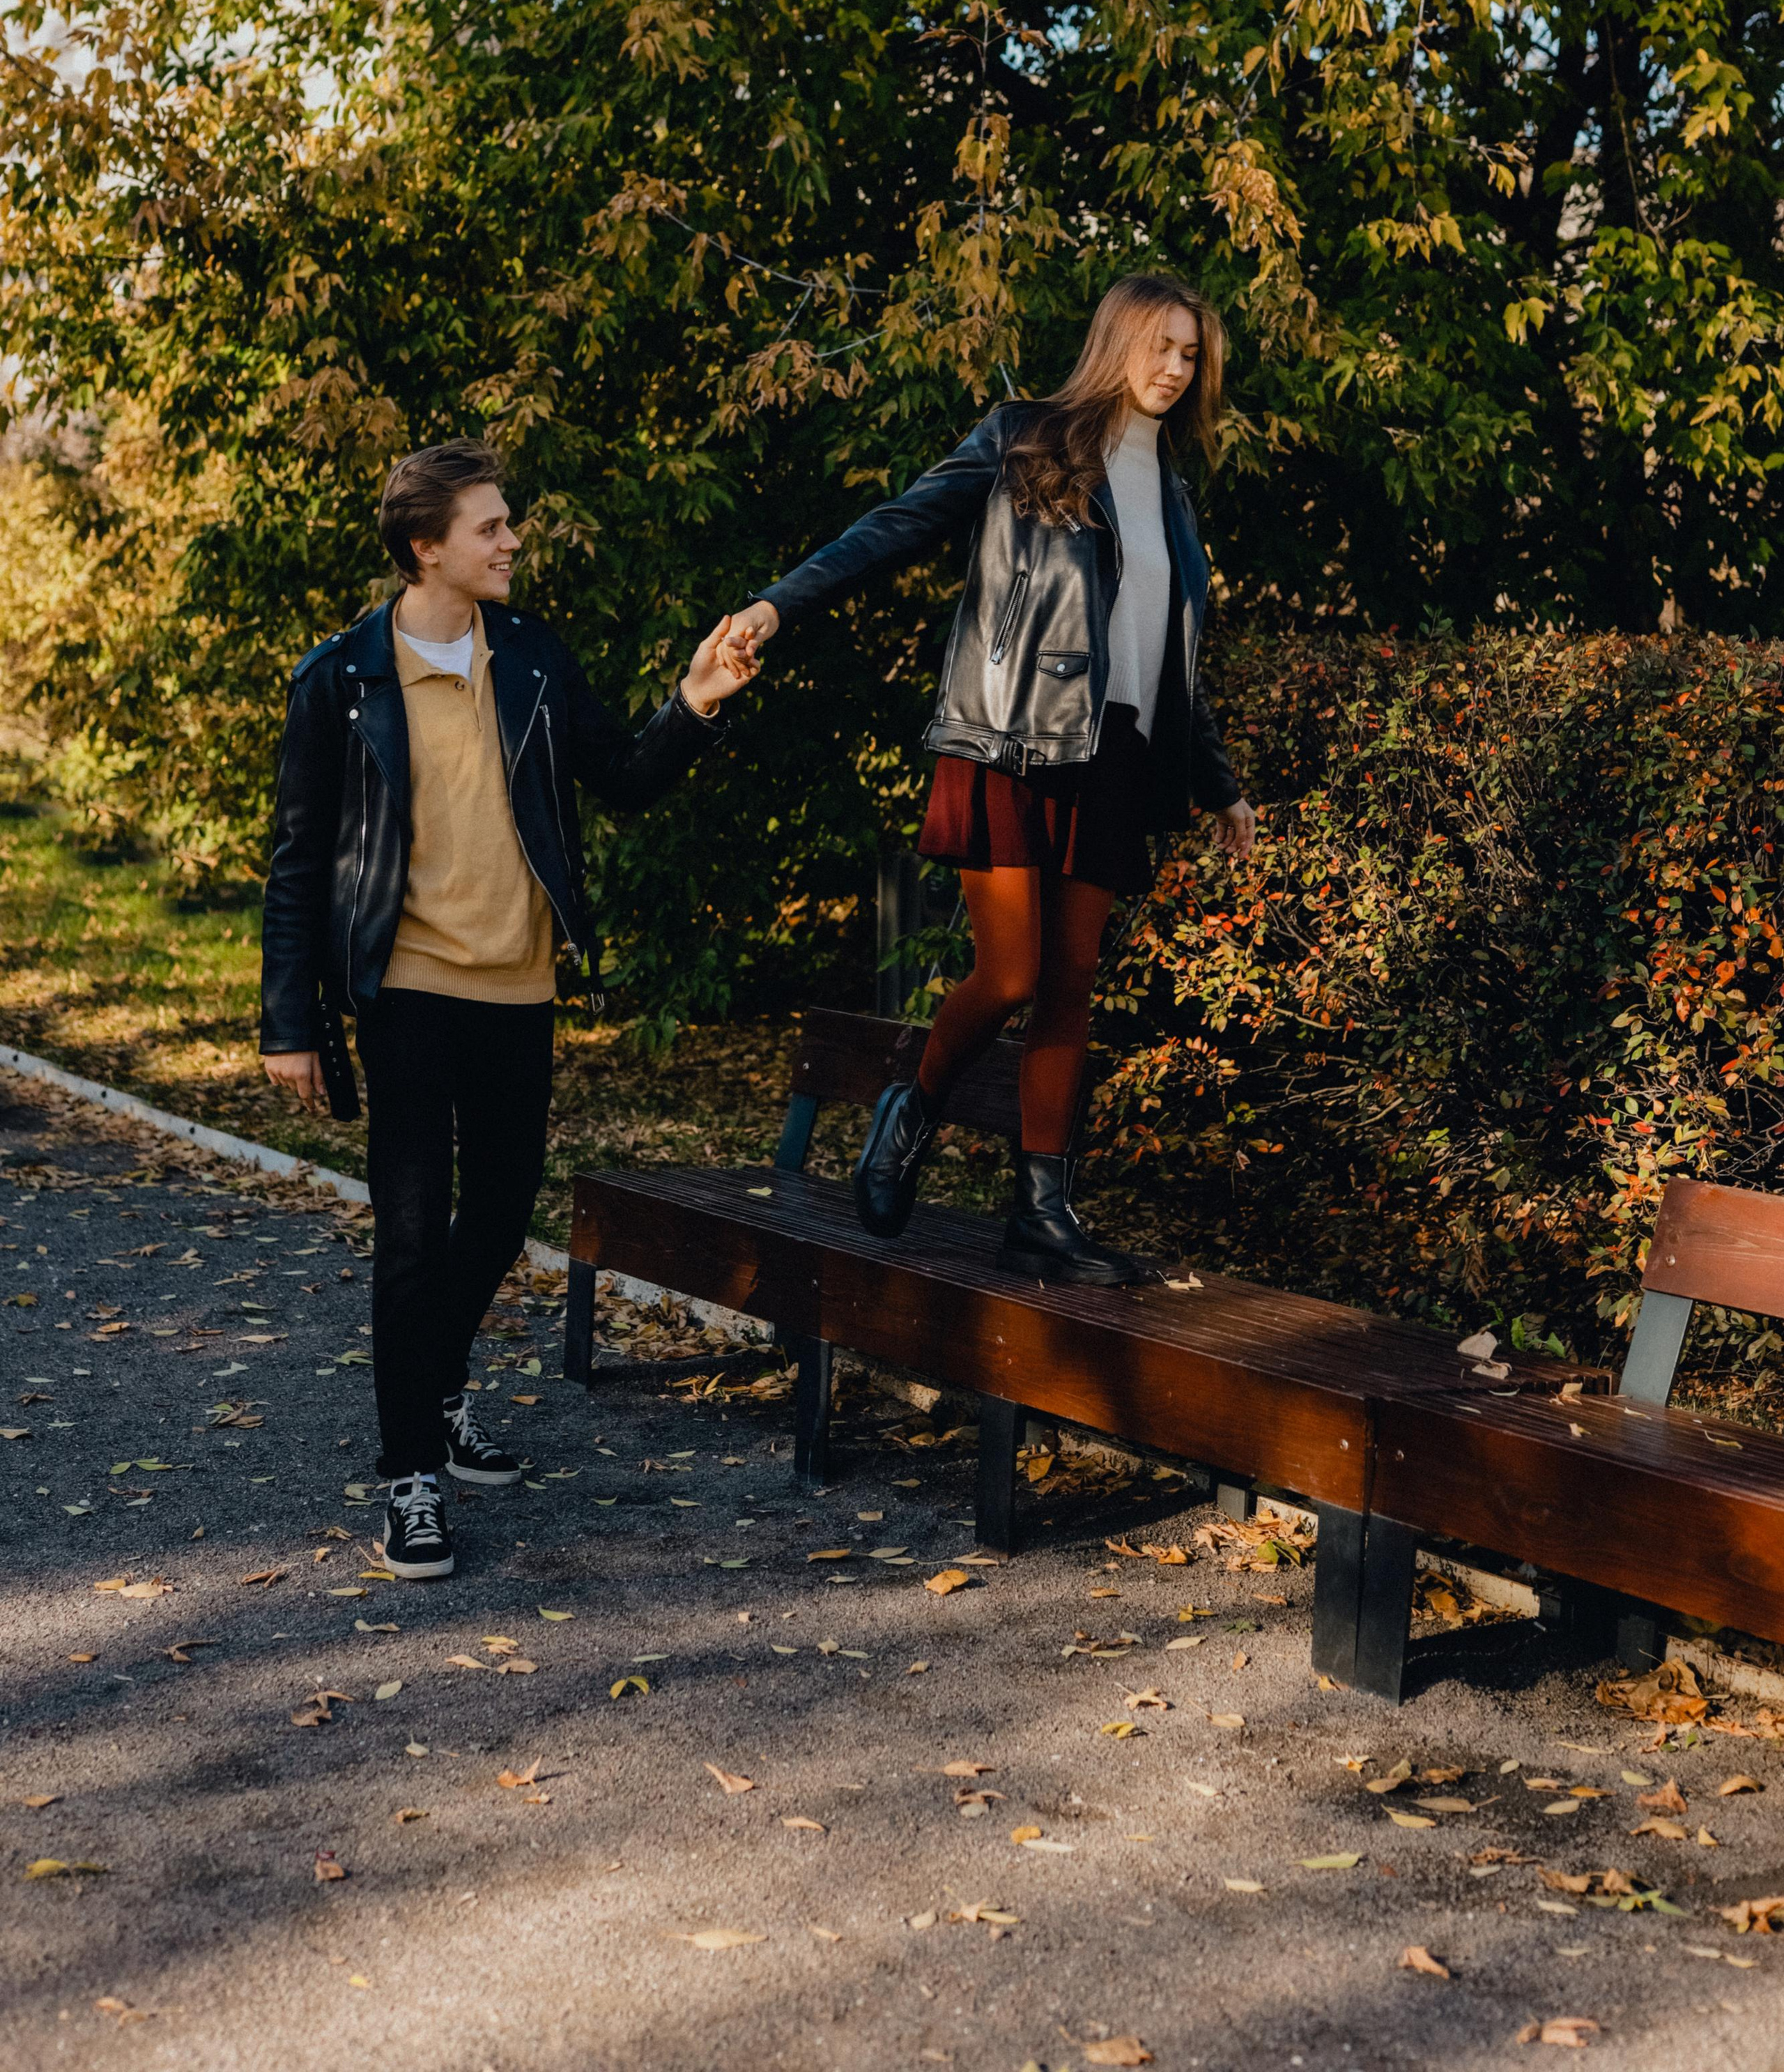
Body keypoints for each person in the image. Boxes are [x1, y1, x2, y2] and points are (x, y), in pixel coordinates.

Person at [259, 441, 754, 1579]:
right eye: (490, 527)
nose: (511, 541)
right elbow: (297, 862)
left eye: (508, 523)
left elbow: (622, 778)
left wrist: (696, 702)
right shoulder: (341, 678)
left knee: (499, 1214)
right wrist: (289, 1016)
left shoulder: (530, 658)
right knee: (412, 1227)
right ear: (427, 546)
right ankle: (410, 1476)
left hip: (518, 985)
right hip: (406, 989)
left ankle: (430, 1392)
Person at [726, 272, 1256, 1287]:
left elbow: (1171, 655)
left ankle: (1044, 1215)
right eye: (1158, 345)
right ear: (1115, 341)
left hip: (1120, 755)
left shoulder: (1175, 498)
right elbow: (896, 525)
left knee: (1071, 988)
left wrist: (1219, 783)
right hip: (1008, 738)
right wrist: (778, 607)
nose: (1174, 369)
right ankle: (912, 1106)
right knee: (1009, 975)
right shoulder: (1026, 439)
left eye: (1190, 354)